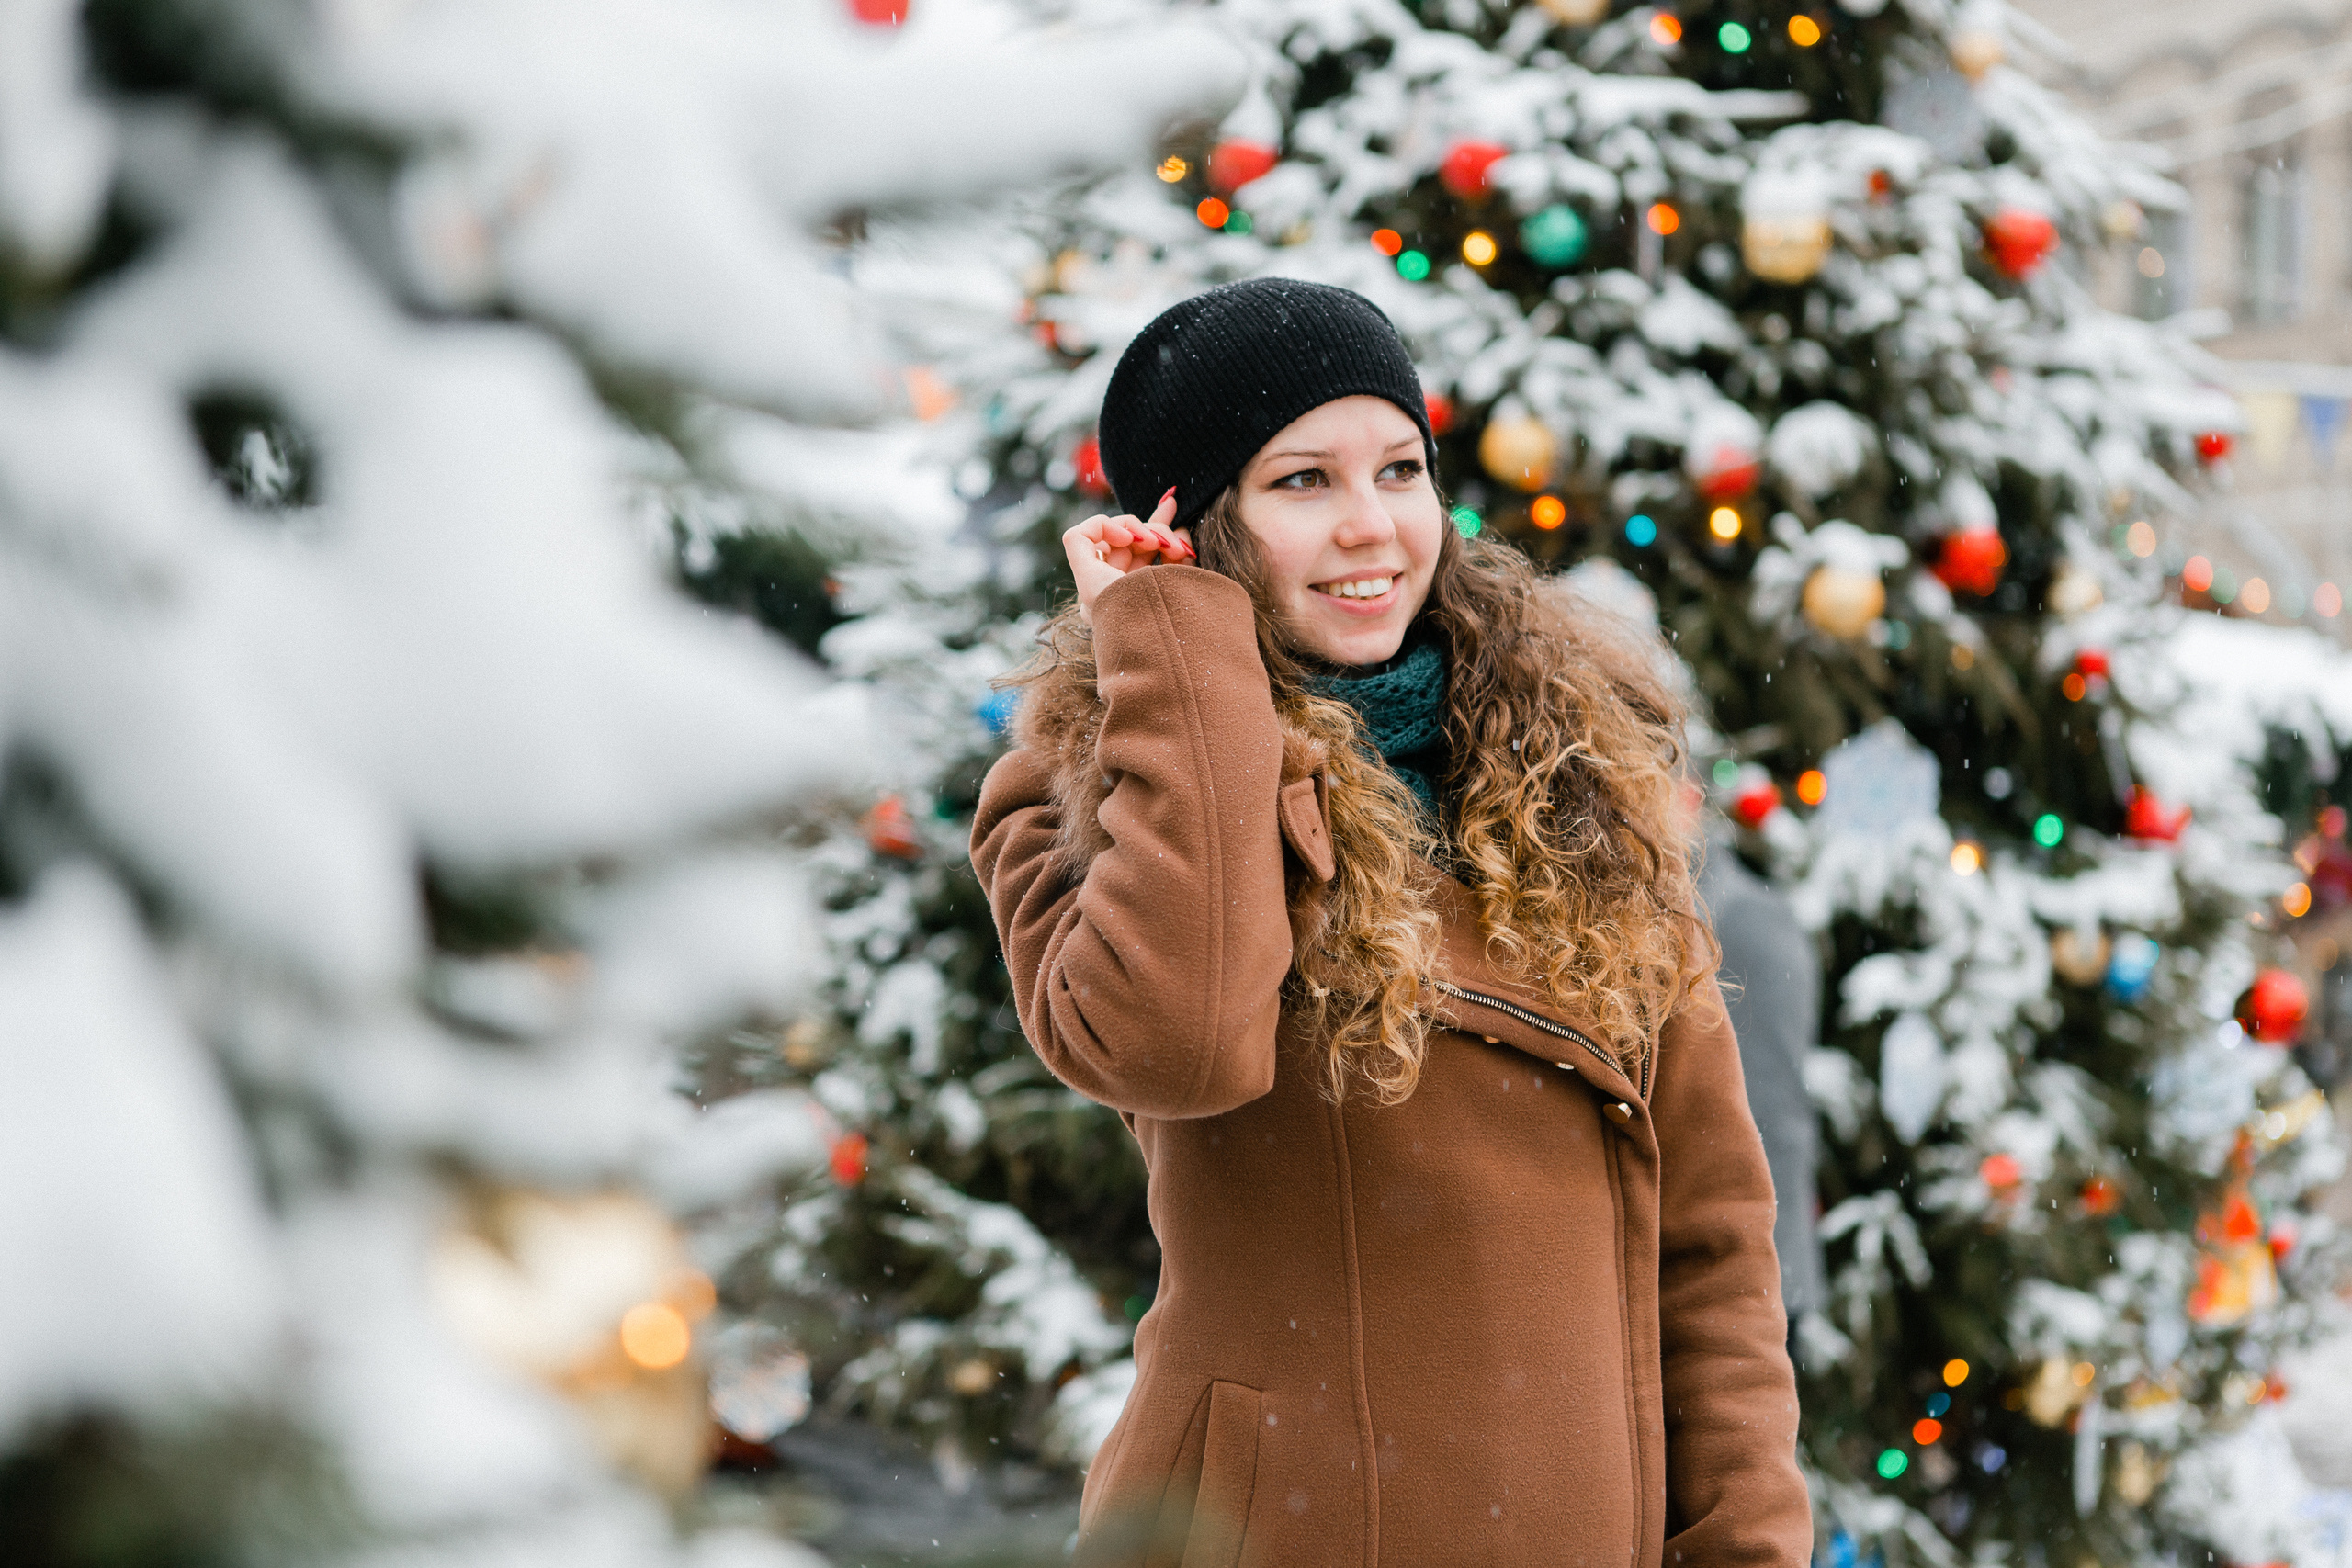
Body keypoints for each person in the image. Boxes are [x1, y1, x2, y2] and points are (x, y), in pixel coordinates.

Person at [970, 278, 1807, 1567]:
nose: (1373, 527)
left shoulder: (1577, 775)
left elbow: (1709, 1237)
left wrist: (1745, 1542)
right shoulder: (1078, 778)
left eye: (1401, 468)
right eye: (1303, 480)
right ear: (1193, 524)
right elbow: (1177, 1043)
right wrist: (1176, 652)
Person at [1697, 824, 1826, 1342]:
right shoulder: (1731, 910)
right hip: (1737, 1260)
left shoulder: (1743, 922)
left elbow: (1772, 1108)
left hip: (1742, 1268)